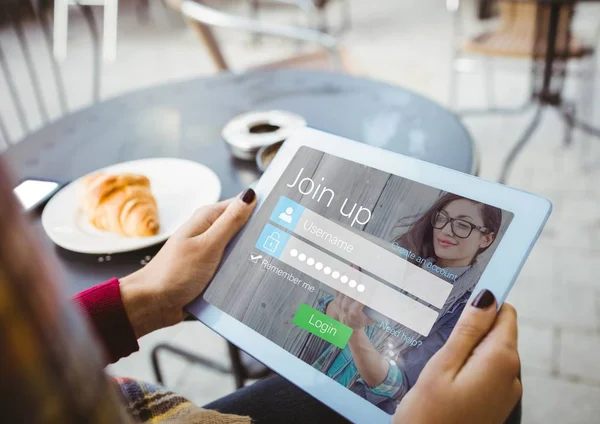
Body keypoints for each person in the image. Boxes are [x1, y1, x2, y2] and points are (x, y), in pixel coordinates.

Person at [0, 159, 521, 424]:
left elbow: (383, 380)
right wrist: (345, 332)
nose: (449, 231)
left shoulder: (455, 307)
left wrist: (143, 297)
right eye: (446, 219)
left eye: (467, 227)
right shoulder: (392, 257)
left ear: (489, 240)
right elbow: (332, 333)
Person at [314, 193, 504, 413]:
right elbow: (318, 320)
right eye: (442, 217)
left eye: (462, 225)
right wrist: (345, 310)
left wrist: (355, 332)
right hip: (319, 374)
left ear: (486, 239)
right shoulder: (404, 259)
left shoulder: (463, 310)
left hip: (354, 409)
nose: (446, 230)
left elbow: (400, 387)